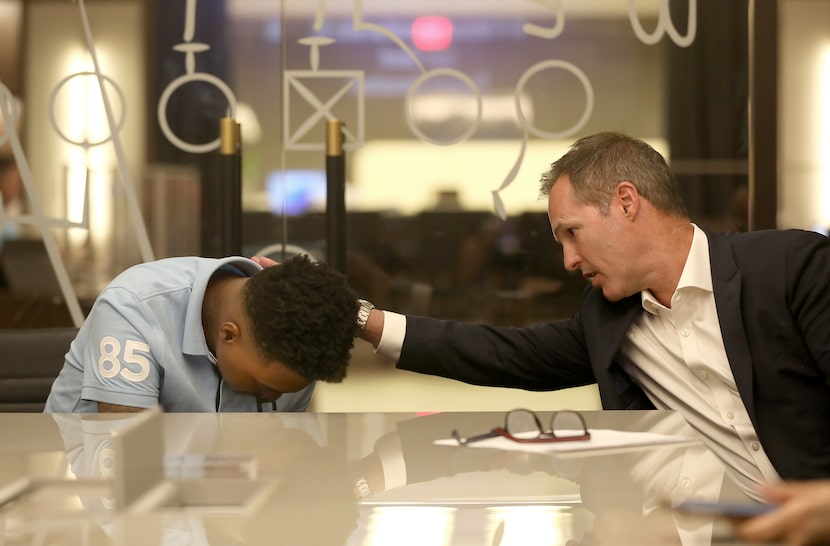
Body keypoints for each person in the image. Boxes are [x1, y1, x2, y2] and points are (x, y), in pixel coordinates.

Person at [356, 132, 830, 492]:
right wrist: (360, 320)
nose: (568, 261)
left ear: (626, 202)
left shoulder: (792, 269)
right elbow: (500, 353)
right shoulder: (609, 318)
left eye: (572, 233)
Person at [45, 253, 360, 413]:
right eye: (265, 388)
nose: (275, 399)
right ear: (228, 335)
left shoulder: (297, 341)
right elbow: (128, 460)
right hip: (77, 502)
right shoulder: (135, 306)